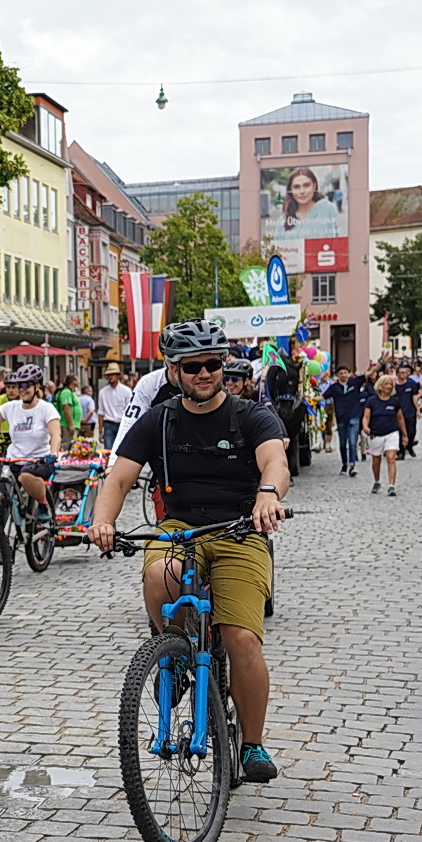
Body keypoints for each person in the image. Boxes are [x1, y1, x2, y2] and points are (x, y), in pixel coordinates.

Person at [88, 319, 291, 783]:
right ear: (173, 371)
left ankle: (253, 744)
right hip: (180, 526)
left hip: (241, 527)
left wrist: (268, 494)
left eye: (212, 364)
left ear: (223, 366)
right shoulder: (158, 421)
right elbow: (117, 478)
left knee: (240, 639)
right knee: (160, 576)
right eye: (192, 366)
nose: (204, 373)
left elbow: (275, 461)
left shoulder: (250, 415)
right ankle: (176, 652)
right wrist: (102, 520)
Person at [0, 363, 61, 511]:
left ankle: (43, 504)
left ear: (37, 386)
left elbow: (56, 434)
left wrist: (53, 453)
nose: (22, 389)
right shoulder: (11, 407)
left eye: (26, 385)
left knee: (25, 476)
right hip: (13, 460)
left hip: (39, 460)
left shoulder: (46, 408)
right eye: (19, 385)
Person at [362, 373, 406, 496]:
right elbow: (366, 417)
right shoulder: (372, 401)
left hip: (391, 432)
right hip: (376, 434)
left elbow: (400, 418)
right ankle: (377, 481)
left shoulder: (394, 401)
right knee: (376, 460)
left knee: (391, 458)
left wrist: (404, 434)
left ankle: (391, 485)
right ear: (380, 386)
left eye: (390, 385)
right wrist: (365, 426)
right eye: (386, 384)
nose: (388, 387)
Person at [273, 167, 341, 239]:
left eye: (306, 185)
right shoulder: (284, 218)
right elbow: (277, 247)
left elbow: (337, 242)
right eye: (296, 187)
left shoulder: (328, 209)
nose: (302, 191)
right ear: (291, 190)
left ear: (314, 186)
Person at [326, 366, 366, 477]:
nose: (343, 375)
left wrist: (381, 363)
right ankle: (344, 463)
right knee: (343, 444)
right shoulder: (334, 388)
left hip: (354, 417)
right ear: (337, 375)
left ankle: (352, 465)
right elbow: (323, 396)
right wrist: (309, 400)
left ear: (348, 373)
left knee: (353, 442)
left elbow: (369, 373)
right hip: (341, 419)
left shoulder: (355, 383)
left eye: (345, 372)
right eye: (341, 373)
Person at [97, 363, 131, 450]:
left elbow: (130, 411)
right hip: (108, 425)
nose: (110, 377)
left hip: (123, 424)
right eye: (108, 375)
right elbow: (101, 413)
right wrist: (100, 432)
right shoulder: (102, 392)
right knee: (108, 452)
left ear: (118, 376)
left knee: (123, 452)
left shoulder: (126, 391)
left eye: (112, 374)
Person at [395, 364, 422, 458]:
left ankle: (409, 446)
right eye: (401, 373)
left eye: (405, 373)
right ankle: (401, 452)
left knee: (411, 432)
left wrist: (418, 410)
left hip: (410, 411)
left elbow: (414, 397)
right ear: (397, 374)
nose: (403, 374)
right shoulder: (394, 386)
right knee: (399, 433)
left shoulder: (411, 384)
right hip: (398, 413)